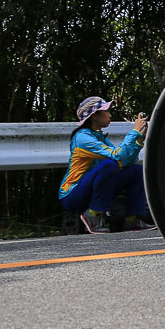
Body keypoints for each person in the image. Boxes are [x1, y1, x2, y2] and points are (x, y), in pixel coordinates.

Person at [58, 96, 155, 234]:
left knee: (136, 170)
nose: (110, 115)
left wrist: (138, 142)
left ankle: (132, 219)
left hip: (91, 190)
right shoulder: (82, 138)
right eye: (106, 111)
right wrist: (133, 133)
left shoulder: (99, 137)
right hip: (72, 194)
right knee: (109, 165)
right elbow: (116, 156)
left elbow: (125, 162)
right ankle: (93, 215)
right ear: (95, 116)